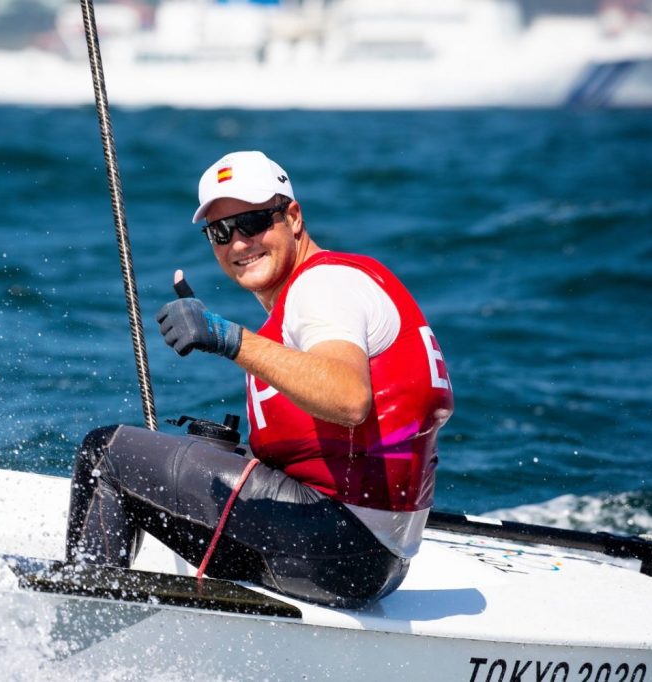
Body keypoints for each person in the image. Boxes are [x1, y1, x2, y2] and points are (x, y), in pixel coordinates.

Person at [66, 151, 453, 608]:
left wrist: (228, 338)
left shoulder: (321, 287)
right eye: (220, 232)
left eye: (252, 223)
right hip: (374, 558)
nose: (237, 244)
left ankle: (80, 622)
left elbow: (349, 399)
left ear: (292, 216)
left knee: (108, 456)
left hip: (339, 545)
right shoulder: (330, 290)